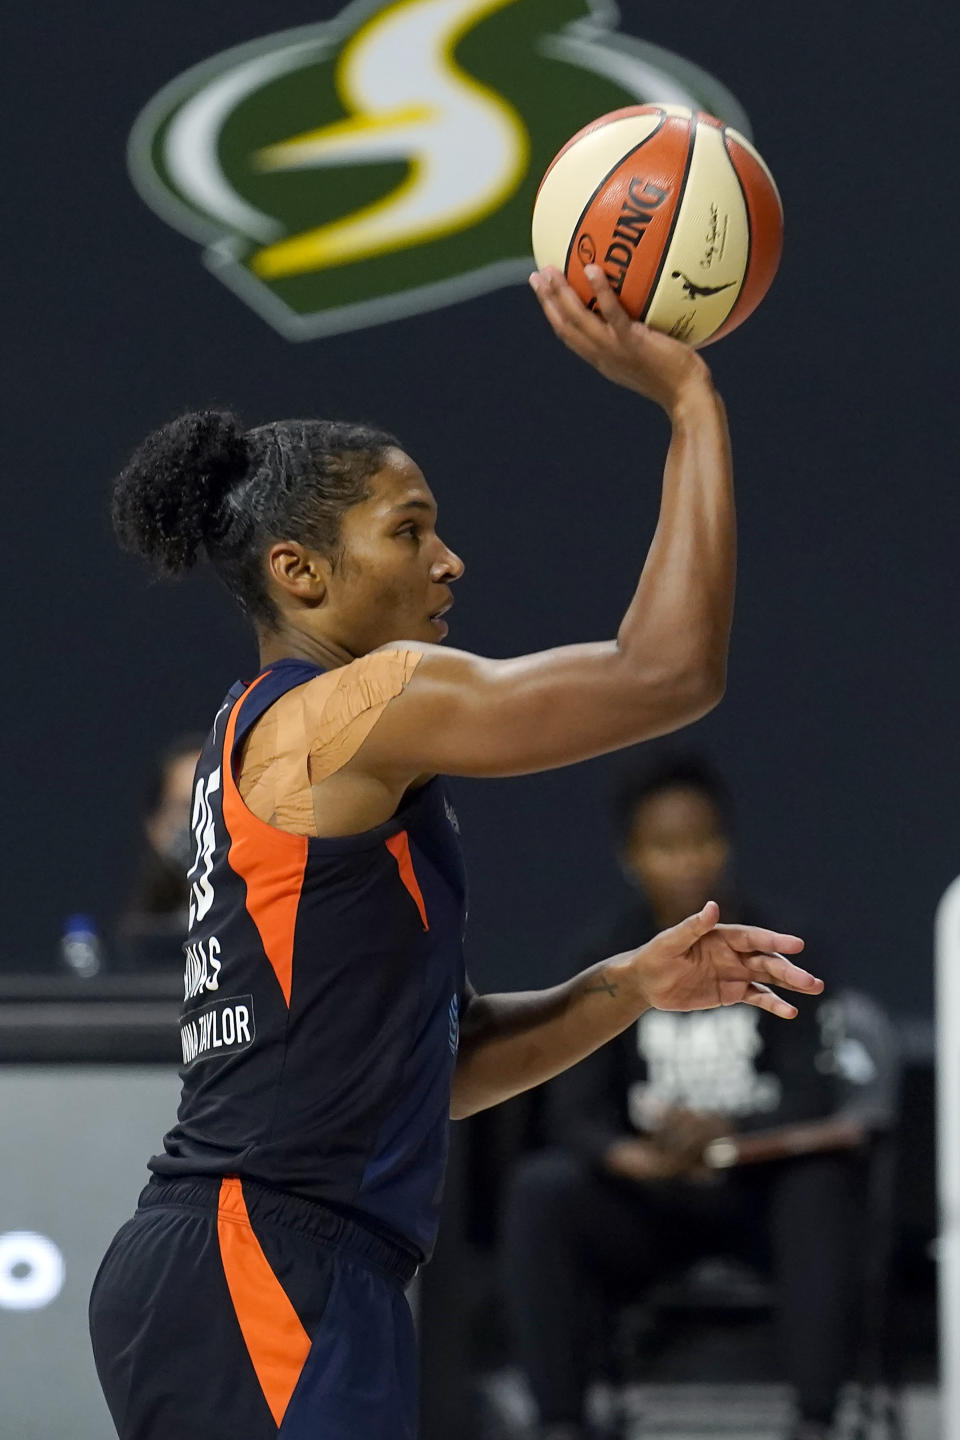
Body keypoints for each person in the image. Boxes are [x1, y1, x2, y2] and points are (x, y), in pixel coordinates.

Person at [88, 265, 823, 1440]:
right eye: (410, 530)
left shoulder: (288, 738)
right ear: (300, 572)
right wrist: (691, 405)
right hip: (264, 1258)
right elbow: (668, 673)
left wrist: (626, 985)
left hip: (278, 1258)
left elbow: (443, 1069)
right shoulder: (356, 705)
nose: (449, 561)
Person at [502, 754, 898, 1440]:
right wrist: (634, 1157)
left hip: (760, 1191)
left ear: (728, 843)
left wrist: (725, 1136)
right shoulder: (604, 962)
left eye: (703, 841)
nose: (689, 862)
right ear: (632, 857)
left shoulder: (781, 948)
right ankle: (559, 1422)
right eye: (665, 846)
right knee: (544, 1192)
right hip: (651, 1198)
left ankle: (816, 1420)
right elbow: (574, 1112)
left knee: (822, 1185)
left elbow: (812, 1093)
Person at [113, 734, 203, 970]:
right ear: (155, 825)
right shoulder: (128, 946)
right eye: (187, 807)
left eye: (214, 804)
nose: (202, 821)